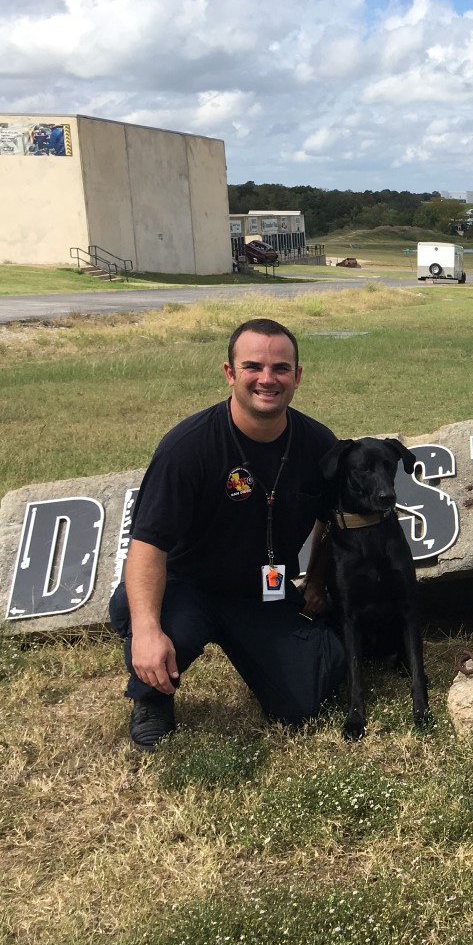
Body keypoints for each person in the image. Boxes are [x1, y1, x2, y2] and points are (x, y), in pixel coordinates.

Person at [109, 318, 345, 750]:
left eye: (281, 369)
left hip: (262, 593)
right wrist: (146, 629)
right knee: (162, 628)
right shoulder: (188, 448)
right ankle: (151, 698)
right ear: (230, 373)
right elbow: (147, 545)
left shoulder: (317, 445)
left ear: (297, 376)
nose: (267, 379)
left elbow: (334, 520)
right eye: (253, 366)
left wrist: (316, 578)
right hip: (187, 587)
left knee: (308, 700)